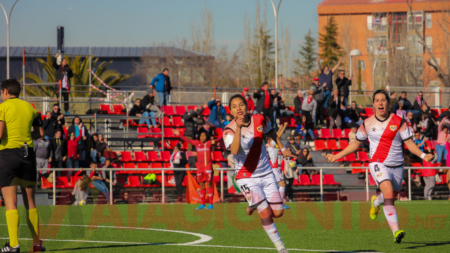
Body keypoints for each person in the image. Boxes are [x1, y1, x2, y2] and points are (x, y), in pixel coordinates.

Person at [326, 90, 434, 244]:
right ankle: (396, 231)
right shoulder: (367, 123)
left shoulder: (399, 121)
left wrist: (423, 156)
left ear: (388, 103)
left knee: (391, 196)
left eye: (383, 100)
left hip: (397, 166)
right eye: (377, 100)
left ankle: (376, 202)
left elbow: (409, 144)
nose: (381, 103)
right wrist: (336, 156)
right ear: (373, 104)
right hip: (378, 163)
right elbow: (356, 143)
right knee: (389, 193)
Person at [224, 94, 293, 252]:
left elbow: (271, 134)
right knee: (265, 212)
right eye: (234, 107)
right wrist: (239, 128)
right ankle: (281, 248)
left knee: (279, 212)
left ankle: (253, 203)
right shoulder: (229, 130)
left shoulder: (260, 119)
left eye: (241, 105)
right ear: (231, 111)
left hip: (267, 174)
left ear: (247, 106)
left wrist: (283, 150)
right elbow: (234, 150)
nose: (239, 108)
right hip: (246, 177)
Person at [0, 79, 46, 252]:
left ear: (5, 91)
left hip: (8, 155)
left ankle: (13, 245)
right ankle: (36, 244)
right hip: (28, 155)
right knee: (30, 203)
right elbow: (39, 133)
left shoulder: (2, 108)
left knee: (11, 202)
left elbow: (0, 132)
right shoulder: (30, 108)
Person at [174, 128, 222, 209]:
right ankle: (202, 204)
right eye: (201, 136)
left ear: (206, 137)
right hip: (199, 168)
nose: (202, 137)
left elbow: (218, 139)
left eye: (204, 135)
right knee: (201, 185)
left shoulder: (209, 143)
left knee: (209, 184)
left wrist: (223, 133)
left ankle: (211, 204)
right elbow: (187, 140)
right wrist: (179, 135)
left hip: (208, 167)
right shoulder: (197, 143)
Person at [265, 123, 291, 209]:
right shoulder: (271, 143)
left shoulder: (267, 144)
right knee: (282, 184)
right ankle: (279, 203)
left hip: (269, 168)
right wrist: (283, 128)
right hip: (274, 168)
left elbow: (276, 136)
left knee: (274, 186)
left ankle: (272, 203)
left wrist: (280, 129)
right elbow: (277, 137)